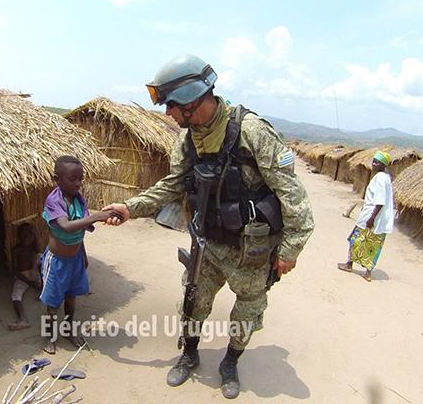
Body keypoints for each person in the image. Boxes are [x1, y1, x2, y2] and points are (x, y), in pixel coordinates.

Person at [103, 54, 314, 399]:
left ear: (191, 100)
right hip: (207, 246)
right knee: (192, 304)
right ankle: (189, 354)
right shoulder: (187, 141)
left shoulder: (252, 133)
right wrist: (129, 207)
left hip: (252, 253)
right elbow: (172, 185)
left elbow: (294, 198)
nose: (167, 113)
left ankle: (231, 362)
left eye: (171, 105)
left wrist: (289, 251)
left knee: (246, 313)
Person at [40, 155, 121, 354]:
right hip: (57, 261)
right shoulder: (54, 200)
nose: (78, 183)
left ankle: (68, 330)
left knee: (71, 297)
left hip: (74, 258)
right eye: (72, 179)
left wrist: (83, 255)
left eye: (80, 179)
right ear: (56, 179)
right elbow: (66, 226)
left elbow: (80, 231)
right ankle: (49, 337)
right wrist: (95, 216)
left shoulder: (78, 199)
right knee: (52, 303)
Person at [337, 151, 394, 282]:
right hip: (380, 219)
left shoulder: (380, 178)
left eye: (377, 162)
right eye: (373, 160)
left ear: (383, 165)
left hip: (372, 216)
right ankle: (368, 272)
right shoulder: (386, 177)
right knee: (373, 244)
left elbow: (379, 201)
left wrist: (372, 218)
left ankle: (349, 264)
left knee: (355, 239)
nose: (374, 163)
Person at [8, 223, 42, 330]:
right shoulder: (16, 250)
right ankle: (22, 319)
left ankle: (43, 290)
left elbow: (38, 251)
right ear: (19, 236)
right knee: (15, 296)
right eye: (24, 235)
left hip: (34, 272)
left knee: (41, 258)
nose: (27, 238)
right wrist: (29, 283)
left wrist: (35, 238)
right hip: (22, 276)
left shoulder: (33, 246)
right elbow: (15, 272)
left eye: (30, 235)